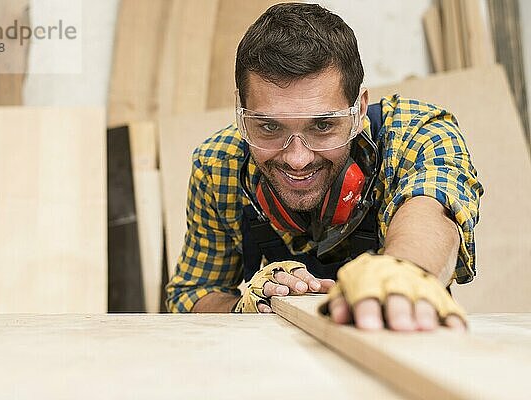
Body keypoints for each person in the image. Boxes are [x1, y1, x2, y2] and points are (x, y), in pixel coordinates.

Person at [165, 2, 483, 331]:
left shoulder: (418, 134)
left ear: (358, 110)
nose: (297, 159)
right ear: (241, 113)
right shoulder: (220, 165)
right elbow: (193, 295)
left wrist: (402, 271)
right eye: (270, 128)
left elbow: (431, 211)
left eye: (323, 126)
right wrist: (247, 308)